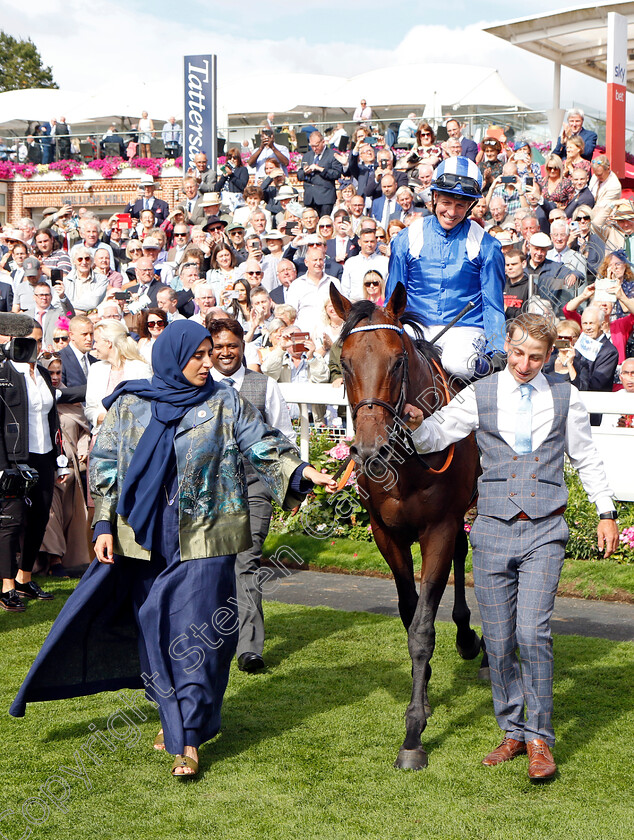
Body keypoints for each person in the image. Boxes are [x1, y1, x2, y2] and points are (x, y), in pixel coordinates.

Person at [10, 320, 335, 777]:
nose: (209, 363)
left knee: (197, 634)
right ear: (172, 356)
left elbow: (262, 443)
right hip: (142, 537)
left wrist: (301, 472)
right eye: (198, 355)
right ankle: (176, 719)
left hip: (206, 534)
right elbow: (106, 465)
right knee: (157, 633)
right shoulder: (131, 405)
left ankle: (188, 742)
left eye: (210, 354)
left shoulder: (224, 401)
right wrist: (103, 522)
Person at [404, 312, 619, 781]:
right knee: (499, 643)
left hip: (545, 529)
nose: (524, 364)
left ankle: (540, 737)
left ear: (550, 356)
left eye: (536, 357)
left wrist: (606, 511)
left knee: (532, 635)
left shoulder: (567, 396)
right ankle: (513, 731)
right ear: (509, 344)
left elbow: (585, 455)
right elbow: (436, 436)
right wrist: (418, 423)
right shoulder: (479, 393)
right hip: (492, 530)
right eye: (518, 353)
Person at [208, 317, 294, 671]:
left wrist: (288, 482)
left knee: (247, 560)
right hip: (210, 489)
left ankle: (249, 648)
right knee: (212, 565)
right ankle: (214, 638)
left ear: (243, 346)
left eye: (232, 345)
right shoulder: (199, 386)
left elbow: (283, 436)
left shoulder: (265, 386)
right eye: (219, 347)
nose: (226, 352)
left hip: (254, 485)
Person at [386, 156, 505, 380]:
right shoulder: (405, 238)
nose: (451, 212)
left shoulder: (488, 246)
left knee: (458, 364)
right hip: (415, 325)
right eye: (446, 203)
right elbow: (392, 299)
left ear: (470, 206)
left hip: (465, 329)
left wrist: (497, 348)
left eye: (460, 205)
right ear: (434, 197)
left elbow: (493, 304)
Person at [0, 322, 67, 611]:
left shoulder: (41, 373)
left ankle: (24, 578)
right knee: (10, 522)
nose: (35, 349)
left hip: (44, 455)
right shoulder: (3, 374)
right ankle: (6, 586)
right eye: (29, 342)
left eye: (39, 342)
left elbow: (52, 420)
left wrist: (58, 460)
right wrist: (3, 465)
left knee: (40, 516)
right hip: (15, 456)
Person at [86, 320, 152, 434]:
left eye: (96, 341)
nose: (94, 346)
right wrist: (105, 418)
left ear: (108, 342)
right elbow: (90, 409)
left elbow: (148, 407)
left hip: (133, 437)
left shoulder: (140, 368)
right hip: (102, 437)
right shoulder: (96, 369)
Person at [297, 131, 343, 217]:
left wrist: (320, 169)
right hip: (310, 198)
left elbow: (336, 174)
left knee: (324, 222)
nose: (314, 148)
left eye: (316, 145)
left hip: (325, 198)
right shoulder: (307, 156)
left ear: (323, 142)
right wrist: (305, 172)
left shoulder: (332, 155)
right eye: (312, 146)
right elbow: (299, 176)